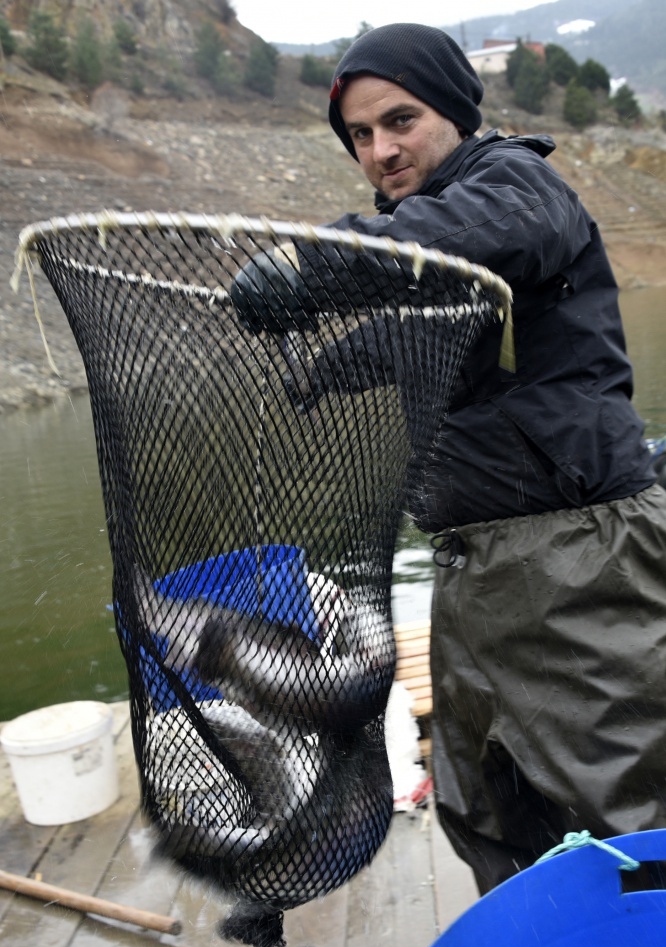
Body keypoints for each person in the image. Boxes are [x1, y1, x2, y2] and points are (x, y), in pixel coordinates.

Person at [231, 23, 666, 893]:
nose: (381, 151)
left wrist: (310, 266)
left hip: (580, 561)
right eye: (361, 135)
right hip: (474, 573)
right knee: (487, 810)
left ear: (456, 113)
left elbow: (475, 233)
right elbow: (425, 331)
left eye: (402, 120)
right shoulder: (438, 258)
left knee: (627, 819)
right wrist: (326, 364)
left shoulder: (516, 184)